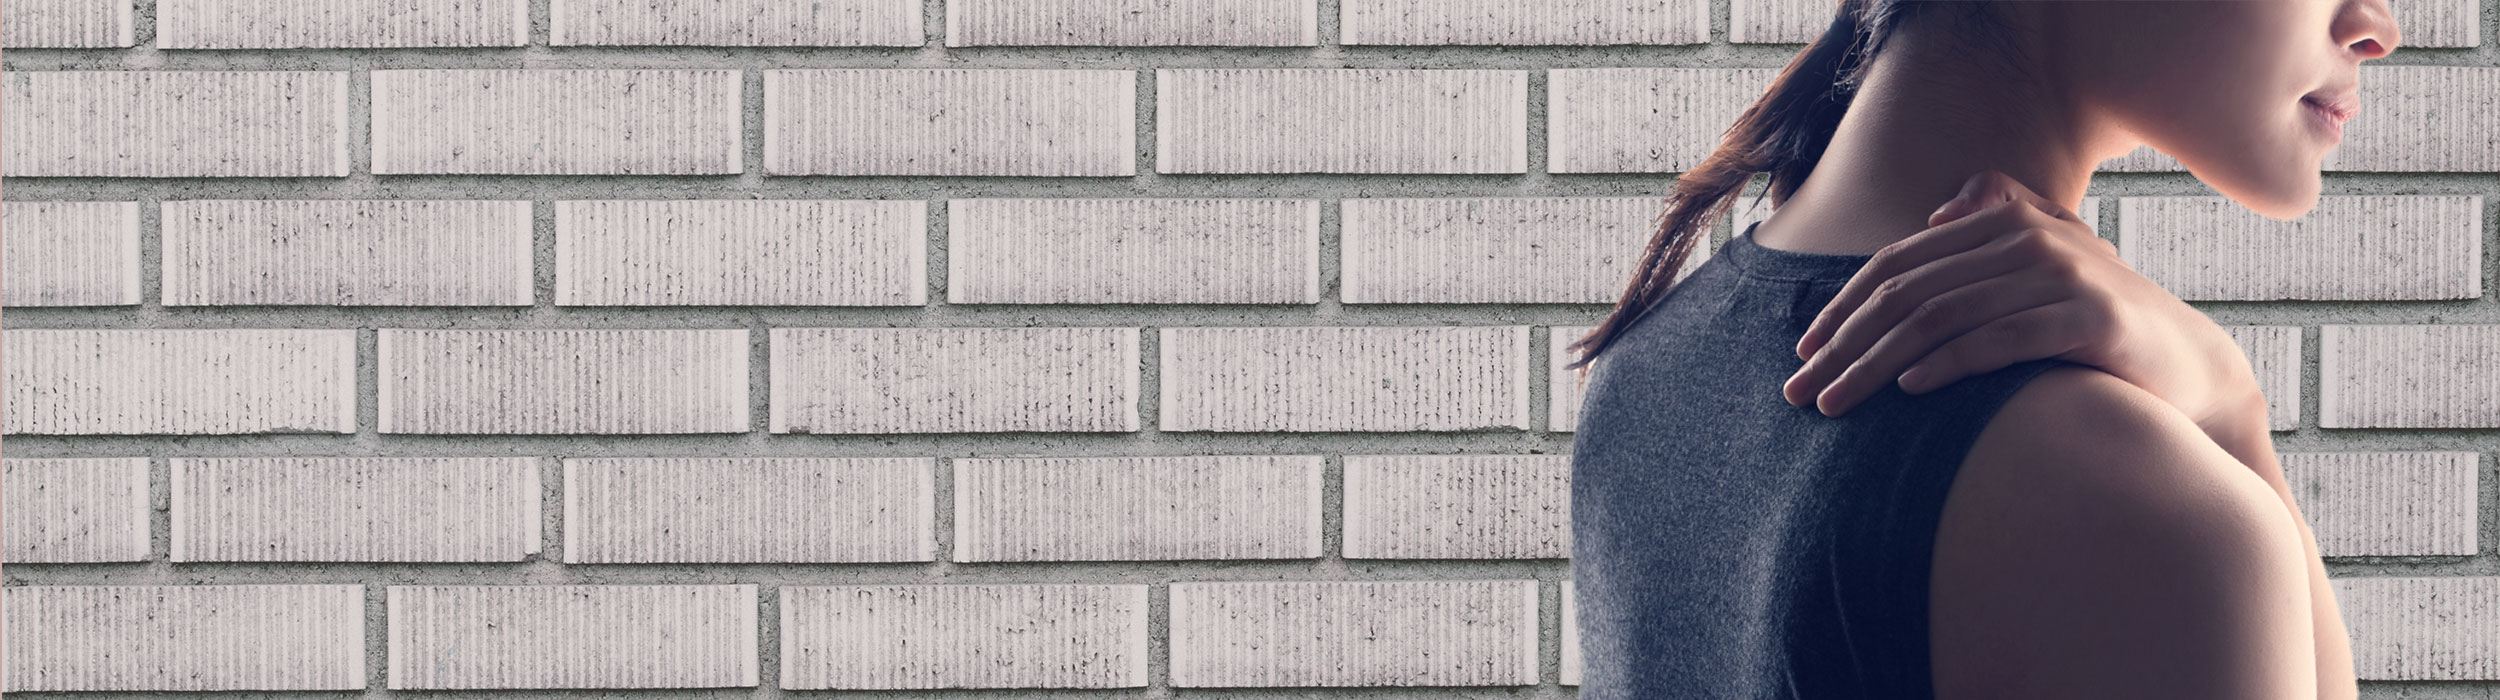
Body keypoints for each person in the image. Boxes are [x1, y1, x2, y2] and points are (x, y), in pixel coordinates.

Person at [1562, 0, 2399, 698]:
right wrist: (2226, 418)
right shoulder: (2143, 518)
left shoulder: (1641, 373)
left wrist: (2226, 399)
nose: (2377, 26)